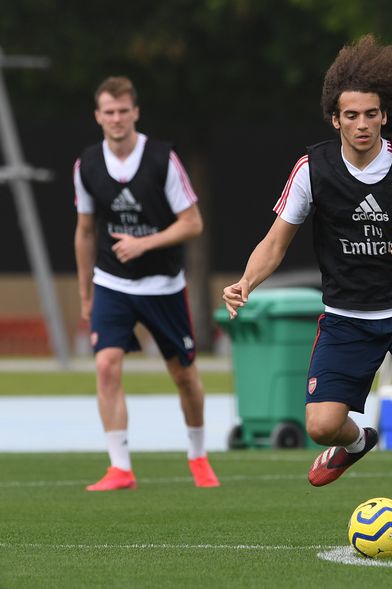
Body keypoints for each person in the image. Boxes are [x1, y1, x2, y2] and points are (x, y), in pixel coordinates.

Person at [223, 35, 392, 556]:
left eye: (371, 114)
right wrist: (247, 281)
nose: (362, 124)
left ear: (385, 116)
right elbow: (275, 241)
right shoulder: (312, 170)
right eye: (351, 115)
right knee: (320, 426)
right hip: (347, 316)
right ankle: (359, 439)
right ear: (334, 120)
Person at [74, 76, 219, 491]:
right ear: (97, 116)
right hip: (111, 283)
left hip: (163, 285)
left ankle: (198, 455)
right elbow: (85, 231)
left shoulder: (162, 159)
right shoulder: (87, 164)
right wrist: (86, 293)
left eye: (123, 111)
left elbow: (193, 223)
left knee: (184, 375)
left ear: (135, 112)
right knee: (105, 365)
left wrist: (145, 243)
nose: (116, 119)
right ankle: (120, 467)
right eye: (108, 112)